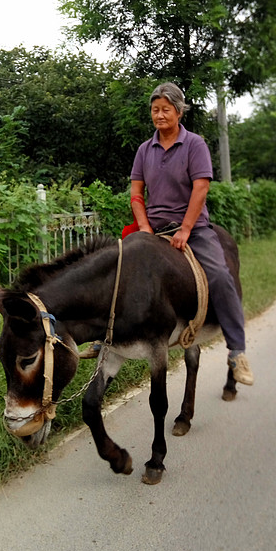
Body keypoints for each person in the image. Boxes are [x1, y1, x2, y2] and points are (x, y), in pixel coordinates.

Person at [80, 82, 253, 387]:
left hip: (193, 229)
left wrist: (186, 229)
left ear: (179, 111)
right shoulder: (144, 150)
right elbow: (136, 193)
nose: (159, 115)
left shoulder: (195, 144)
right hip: (153, 230)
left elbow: (201, 188)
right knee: (115, 270)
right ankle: (104, 338)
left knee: (220, 276)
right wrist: (144, 228)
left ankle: (237, 350)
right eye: (155, 109)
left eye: (165, 109)